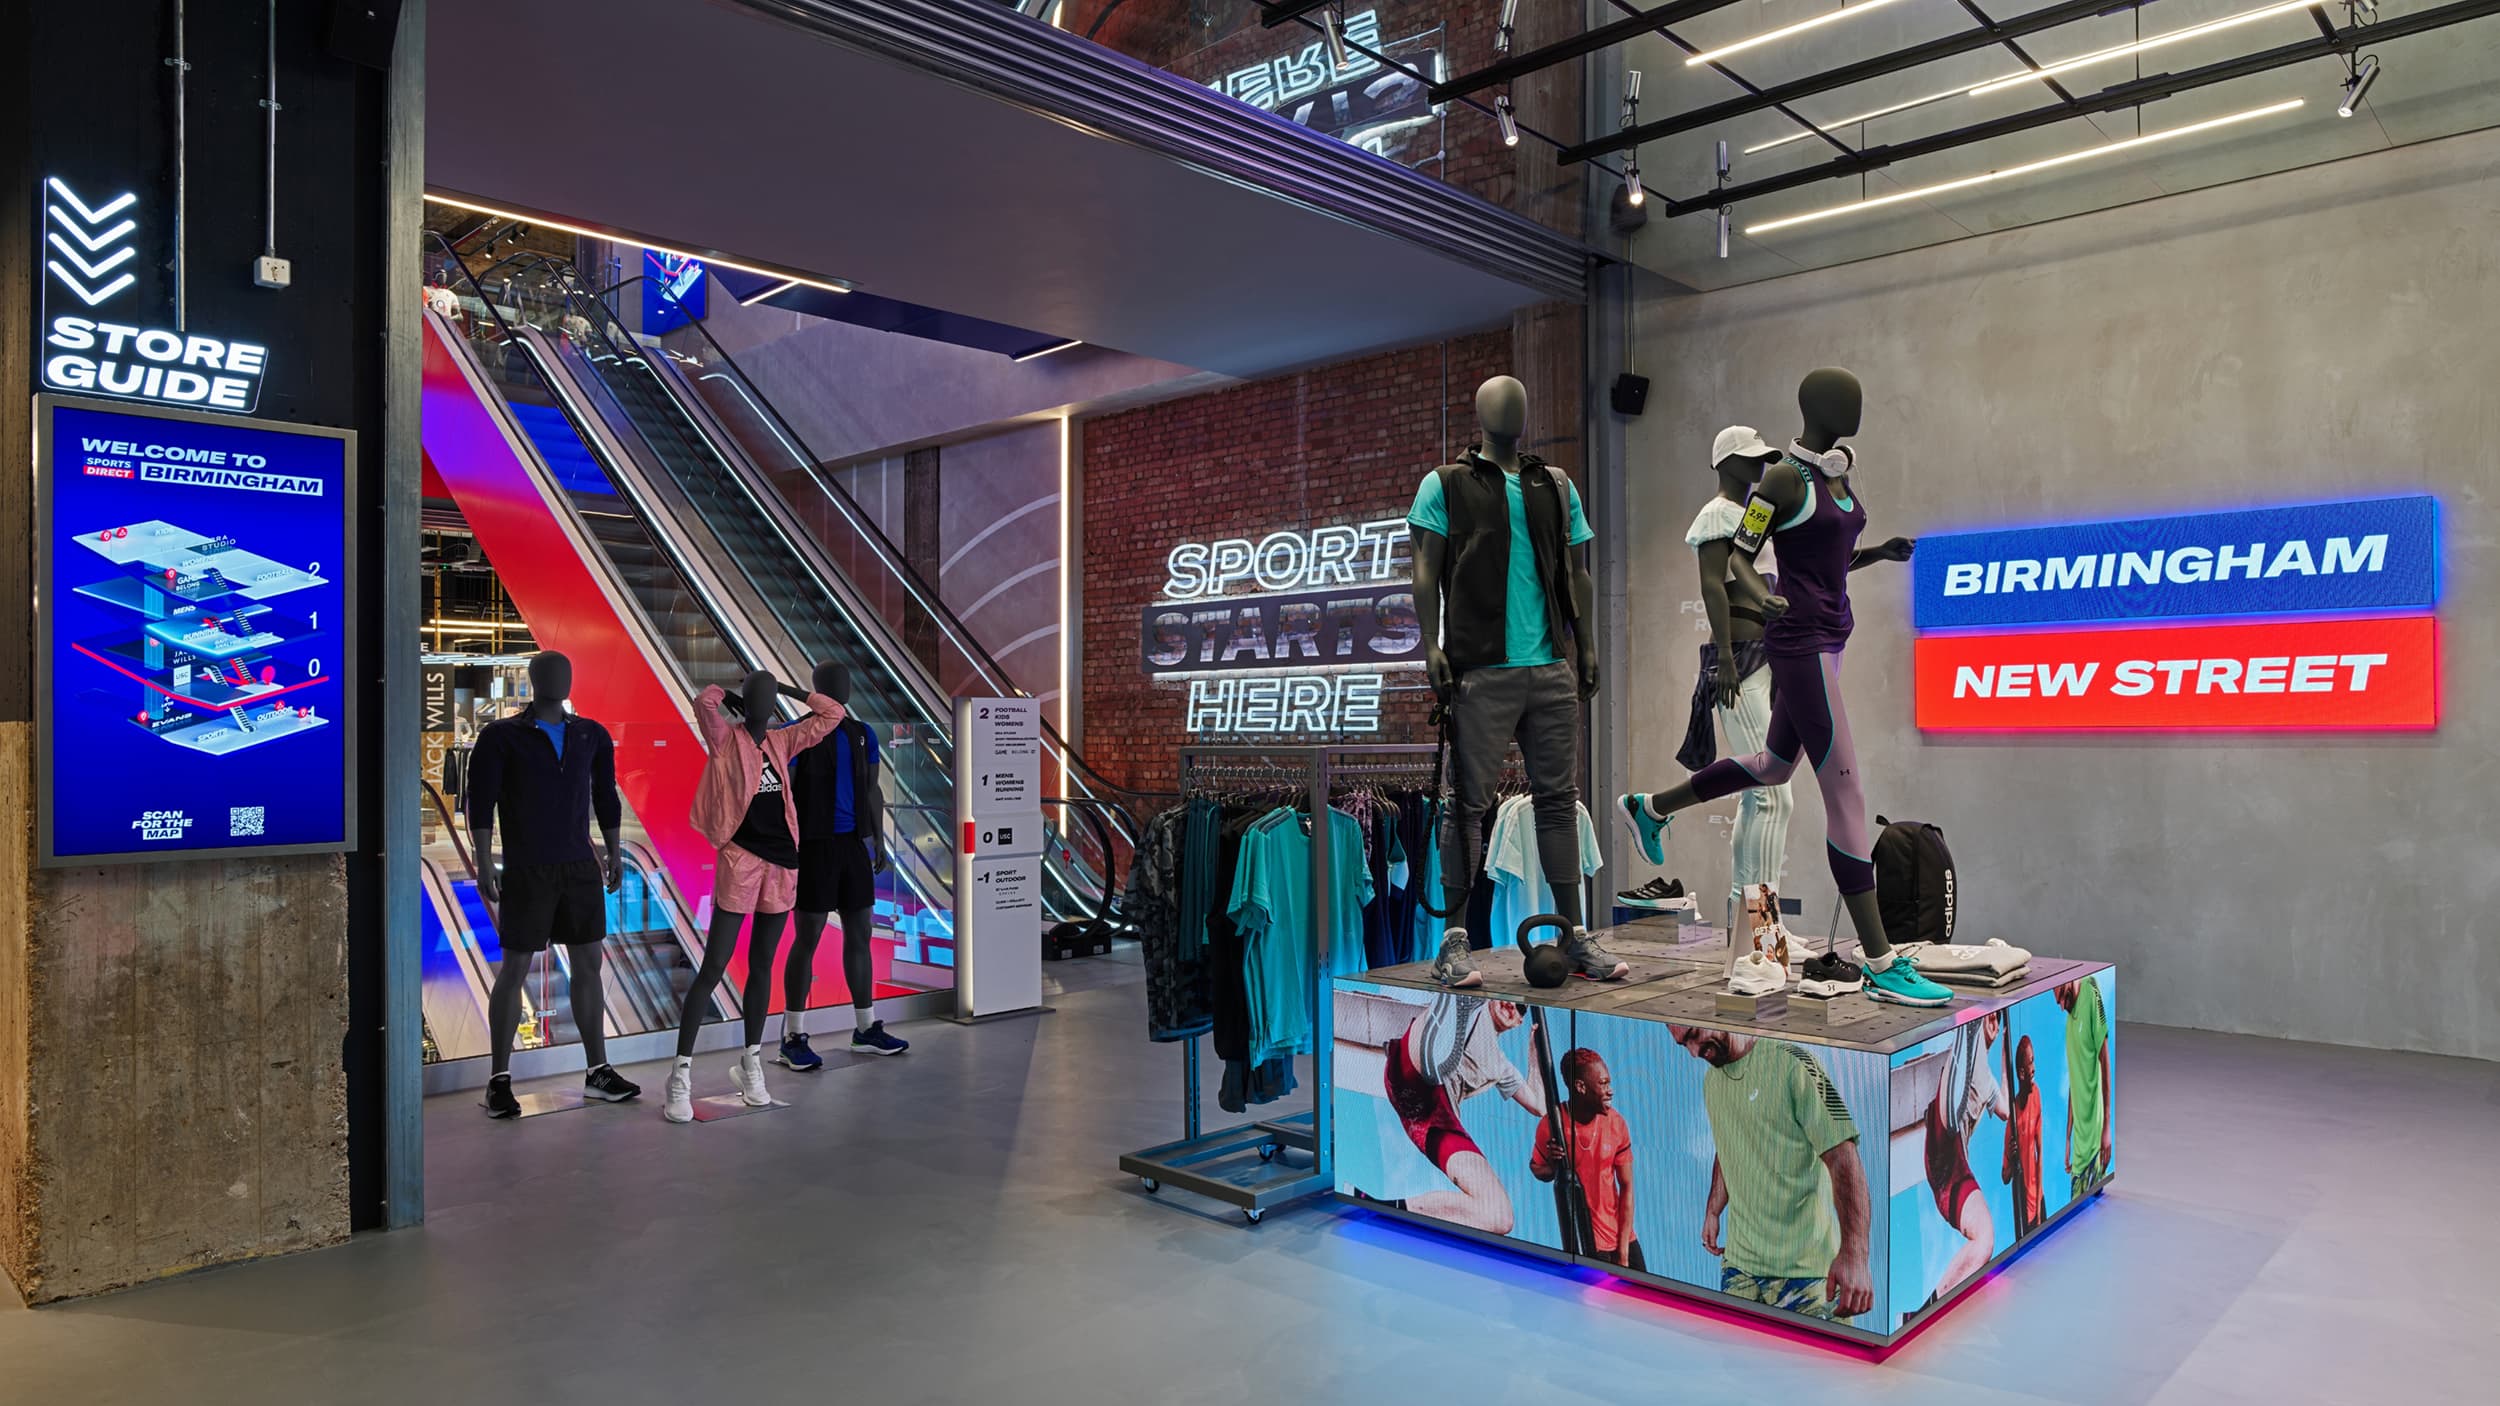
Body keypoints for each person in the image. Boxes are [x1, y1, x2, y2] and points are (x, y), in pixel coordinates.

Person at [1618, 371, 1950, 1008]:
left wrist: (1879, 552)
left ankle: (1651, 807)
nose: (1856, 407)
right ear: (1814, 407)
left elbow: (1824, 557)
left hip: (1831, 639)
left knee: (1772, 770)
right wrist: (1755, 603)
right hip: (1798, 645)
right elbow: (1739, 559)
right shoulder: (1781, 480)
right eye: (1844, 399)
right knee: (1840, 794)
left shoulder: (1836, 475)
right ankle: (1877, 960)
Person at [1671, 1025, 1874, 1321]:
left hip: (1807, 1277)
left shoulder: (1794, 1062)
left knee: (1822, 1354)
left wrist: (1855, 1255)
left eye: (1693, 1035)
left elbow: (1843, 1155)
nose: (1693, 1052)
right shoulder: (1711, 1082)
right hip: (1739, 1273)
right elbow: (1729, 1143)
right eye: (1683, 1045)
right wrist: (1713, 1211)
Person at [779, 661, 908, 1068]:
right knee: (808, 937)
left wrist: (878, 839)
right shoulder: (797, 733)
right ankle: (792, 1036)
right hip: (813, 846)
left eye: (847, 681)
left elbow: (872, 790)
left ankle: (866, 1028)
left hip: (853, 845)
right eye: (836, 682)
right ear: (817, 689)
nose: (845, 687)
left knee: (861, 932)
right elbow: (786, 794)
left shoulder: (861, 733)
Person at [1365, 995, 1547, 1235]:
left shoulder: (1501, 1066)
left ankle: (1390, 1209)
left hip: (1435, 1119)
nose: (1511, 1004)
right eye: (1506, 997)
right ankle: (1449, 998)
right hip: (1414, 1072)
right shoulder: (1479, 1008)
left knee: (1500, 1216)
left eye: (1520, 1007)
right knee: (1439, 1047)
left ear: (1519, 1023)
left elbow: (1539, 1106)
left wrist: (1535, 1056)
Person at [1924, 1016, 2008, 1304]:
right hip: (1945, 1139)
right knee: (1948, 1124)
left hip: (1949, 1177)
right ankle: (1965, 1029)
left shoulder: (1988, 1079)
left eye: (1996, 1020)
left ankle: (1928, 1306)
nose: (1994, 1024)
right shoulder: (1976, 1057)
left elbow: (2006, 1111)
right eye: (1991, 1019)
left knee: (1985, 1239)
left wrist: (2005, 1055)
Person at [1532, 1047, 1641, 1269]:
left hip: (1623, 1238)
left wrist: (1623, 1252)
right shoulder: (1552, 1124)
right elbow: (1537, 1169)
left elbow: (1627, 1186)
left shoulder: (1617, 1124)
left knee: (1645, 1292)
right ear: (1580, 1087)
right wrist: (1553, 1165)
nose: (1610, 1091)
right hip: (1587, 1241)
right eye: (1603, 1084)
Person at [2057, 975, 2112, 1198]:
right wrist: (2067, 1138)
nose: (2062, 1006)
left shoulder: (2090, 990)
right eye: (2058, 1002)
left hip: (2094, 1142)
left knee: (2097, 1205)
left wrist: (2107, 1128)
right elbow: (2075, 1081)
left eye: (2063, 997)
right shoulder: (2068, 1023)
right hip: (2078, 1152)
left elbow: (2104, 1061)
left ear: (2067, 982)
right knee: (2078, 1204)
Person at [2002, 1034, 2044, 1239]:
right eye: (2030, 1063)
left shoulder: (2036, 1095)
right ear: (2020, 1073)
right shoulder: (2013, 1117)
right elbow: (2005, 1176)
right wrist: (2011, 1159)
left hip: (2038, 1200)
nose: (2033, 1068)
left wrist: (2039, 1210)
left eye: (2033, 1060)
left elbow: (2040, 1153)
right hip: (2021, 1206)